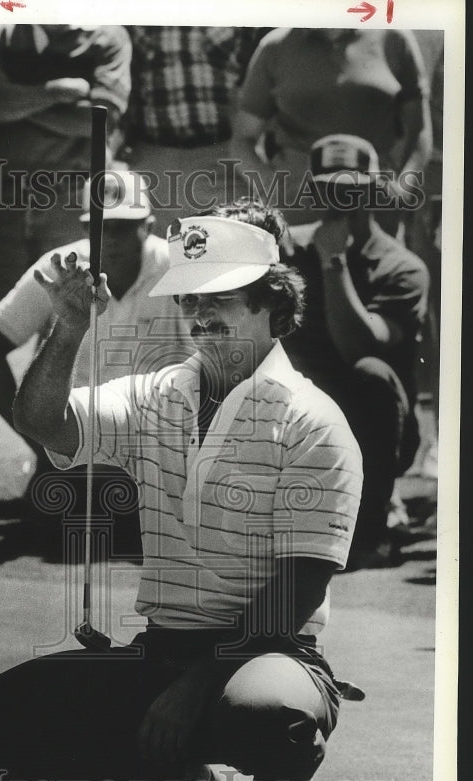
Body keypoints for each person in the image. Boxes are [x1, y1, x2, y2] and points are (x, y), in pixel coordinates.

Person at [0, 205, 363, 781]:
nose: (200, 317)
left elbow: (300, 585)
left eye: (221, 299)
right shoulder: (156, 395)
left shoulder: (312, 421)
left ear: (272, 303)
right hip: (165, 645)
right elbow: (44, 422)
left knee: (266, 716)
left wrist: (195, 682)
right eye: (191, 300)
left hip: (269, 648)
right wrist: (69, 327)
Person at [0, 24, 132, 525]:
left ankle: (54, 476)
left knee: (64, 348)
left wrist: (18, 102)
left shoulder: (107, 37)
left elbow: (99, 120)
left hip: (70, 207)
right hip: (0, 208)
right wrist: (55, 94)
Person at [0, 170, 191, 530]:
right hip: (79, 436)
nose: (110, 238)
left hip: (162, 440)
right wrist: (42, 438)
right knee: (52, 519)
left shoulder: (181, 268)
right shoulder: (60, 267)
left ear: (149, 225)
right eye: (100, 227)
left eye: (123, 227)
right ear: (84, 228)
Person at [278, 134, 429, 568]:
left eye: (352, 187)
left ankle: (370, 529)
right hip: (301, 411)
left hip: (373, 423)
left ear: (375, 189)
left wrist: (334, 262)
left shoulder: (402, 267)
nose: (340, 197)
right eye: (328, 187)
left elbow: (357, 347)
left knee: (371, 372)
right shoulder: (289, 251)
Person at [233, 28, 431, 227]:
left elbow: (419, 129)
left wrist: (402, 188)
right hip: (298, 207)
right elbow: (243, 138)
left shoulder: (394, 37)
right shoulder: (275, 45)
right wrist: (273, 191)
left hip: (373, 205)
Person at [124, 26, 270, 236]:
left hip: (225, 158)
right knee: (165, 259)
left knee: (233, 252)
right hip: (157, 164)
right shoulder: (134, 12)